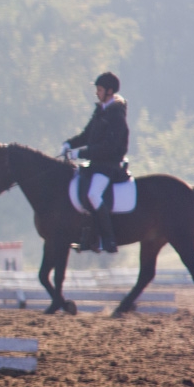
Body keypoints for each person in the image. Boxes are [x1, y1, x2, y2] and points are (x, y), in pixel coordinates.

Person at [61, 72, 128, 253]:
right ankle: (88, 237)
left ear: (109, 91)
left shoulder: (116, 115)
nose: (96, 93)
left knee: (93, 194)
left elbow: (108, 147)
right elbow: (86, 135)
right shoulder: (101, 111)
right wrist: (69, 144)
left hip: (109, 166)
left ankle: (108, 239)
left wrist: (80, 152)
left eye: (99, 90)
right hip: (96, 165)